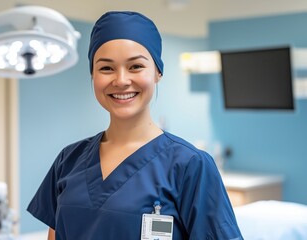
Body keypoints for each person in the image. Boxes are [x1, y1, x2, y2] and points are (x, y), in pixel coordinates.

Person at [27, 11, 243, 240]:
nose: (121, 80)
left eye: (135, 66)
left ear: (157, 72)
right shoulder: (68, 160)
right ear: (93, 75)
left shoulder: (191, 165)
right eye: (106, 68)